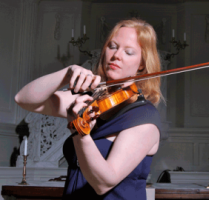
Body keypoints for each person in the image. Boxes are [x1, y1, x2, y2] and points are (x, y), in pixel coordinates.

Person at [15, 18, 162, 200]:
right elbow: (24, 99)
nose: (117, 55)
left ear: (142, 64)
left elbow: (104, 182)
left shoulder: (144, 117)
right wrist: (66, 74)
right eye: (113, 46)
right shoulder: (93, 100)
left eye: (129, 52)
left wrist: (79, 130)